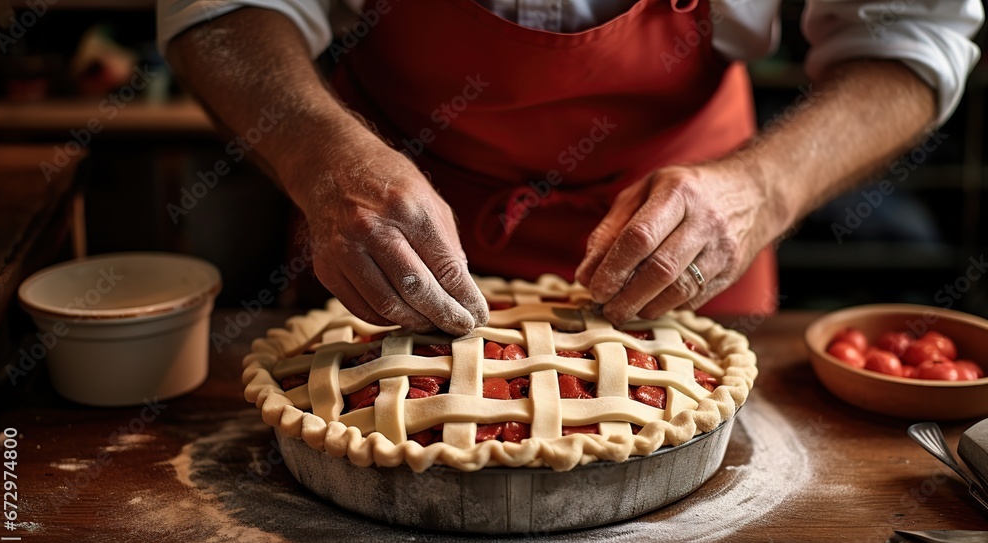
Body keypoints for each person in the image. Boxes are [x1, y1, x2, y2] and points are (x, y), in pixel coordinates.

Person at [158, 0, 982, 335]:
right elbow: (222, 7)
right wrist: (316, 149)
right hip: (381, 222)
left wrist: (763, 188)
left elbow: (910, 31)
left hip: (691, 231)